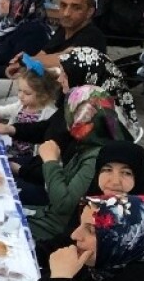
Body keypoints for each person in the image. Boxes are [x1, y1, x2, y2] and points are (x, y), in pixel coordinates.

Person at [26, 88, 128, 246]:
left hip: (57, 233)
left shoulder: (97, 158)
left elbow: (63, 205)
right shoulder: (90, 142)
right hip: (47, 216)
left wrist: (50, 162)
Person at [5, 0, 107, 80]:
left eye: (76, 8)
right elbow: (42, 54)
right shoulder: (64, 28)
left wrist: (26, 61)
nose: (67, 13)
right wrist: (23, 65)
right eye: (63, 5)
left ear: (90, 12)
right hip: (43, 88)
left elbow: (63, 59)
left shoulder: (93, 36)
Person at [0, 66, 60, 165]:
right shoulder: (21, 105)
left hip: (26, 160)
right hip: (10, 149)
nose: (20, 96)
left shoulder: (49, 114)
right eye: (20, 90)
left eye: (27, 93)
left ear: (43, 96)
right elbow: (5, 110)